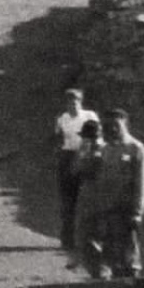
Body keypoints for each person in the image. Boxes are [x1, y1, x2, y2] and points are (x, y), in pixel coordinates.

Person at [95, 108, 144, 278]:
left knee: (130, 256)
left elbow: (143, 183)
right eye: (109, 126)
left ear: (125, 125)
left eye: (116, 125)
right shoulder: (106, 149)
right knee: (111, 253)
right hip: (109, 208)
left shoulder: (136, 149)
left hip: (127, 210)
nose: (113, 129)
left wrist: (138, 212)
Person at [53, 88, 99, 248]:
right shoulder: (62, 119)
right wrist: (60, 155)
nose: (73, 104)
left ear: (81, 101)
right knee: (67, 199)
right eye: (70, 101)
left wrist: (87, 157)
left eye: (76, 101)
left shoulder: (89, 117)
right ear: (66, 103)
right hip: (67, 156)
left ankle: (87, 238)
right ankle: (67, 238)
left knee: (87, 198)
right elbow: (58, 139)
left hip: (85, 156)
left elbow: (95, 138)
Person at [71, 118, 106, 278]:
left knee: (93, 235)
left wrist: (84, 156)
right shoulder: (88, 149)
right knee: (86, 235)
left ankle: (100, 272)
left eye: (85, 137)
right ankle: (95, 271)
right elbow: (74, 170)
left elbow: (81, 169)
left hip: (99, 198)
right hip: (88, 195)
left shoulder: (103, 150)